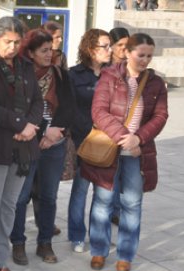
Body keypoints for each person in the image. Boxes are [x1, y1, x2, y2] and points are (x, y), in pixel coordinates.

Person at [84, 33, 168, 271]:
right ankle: (99, 250)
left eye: (149, 56)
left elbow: (160, 116)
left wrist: (138, 139)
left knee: (132, 203)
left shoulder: (155, 83)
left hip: (137, 153)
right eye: (141, 55)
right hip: (108, 149)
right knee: (103, 202)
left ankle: (125, 254)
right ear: (128, 52)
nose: (145, 60)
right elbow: (99, 111)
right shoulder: (110, 76)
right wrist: (123, 137)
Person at [0, 16, 42, 271]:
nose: (12, 47)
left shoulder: (26, 65)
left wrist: (31, 125)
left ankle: (2, 259)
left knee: (9, 207)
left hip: (23, 146)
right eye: (7, 42)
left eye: (17, 42)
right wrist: (20, 123)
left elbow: (37, 101)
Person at [9, 29, 76, 265]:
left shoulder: (60, 74)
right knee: (21, 196)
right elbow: (19, 109)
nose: (50, 55)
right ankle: (18, 243)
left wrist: (55, 130)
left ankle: (44, 242)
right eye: (44, 50)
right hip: (28, 142)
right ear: (30, 52)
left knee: (48, 196)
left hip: (55, 143)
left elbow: (70, 107)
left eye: (52, 50)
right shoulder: (20, 75)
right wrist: (43, 129)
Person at [67, 28, 111, 253]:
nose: (109, 50)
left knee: (104, 191)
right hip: (84, 139)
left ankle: (99, 233)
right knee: (81, 189)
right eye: (105, 46)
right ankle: (76, 235)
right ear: (91, 49)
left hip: (108, 140)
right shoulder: (74, 75)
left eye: (109, 45)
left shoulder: (113, 74)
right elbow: (71, 109)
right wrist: (87, 132)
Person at [108, 26, 131, 225]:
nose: (124, 50)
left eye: (127, 45)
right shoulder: (105, 69)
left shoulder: (133, 68)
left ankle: (117, 208)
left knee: (124, 172)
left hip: (129, 130)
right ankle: (112, 209)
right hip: (108, 130)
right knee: (111, 173)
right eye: (120, 45)